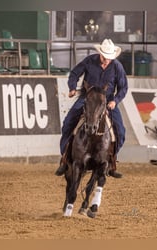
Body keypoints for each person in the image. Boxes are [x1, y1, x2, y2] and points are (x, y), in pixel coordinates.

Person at [55, 38, 128, 178]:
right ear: (100, 54)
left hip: (107, 101)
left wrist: (115, 101)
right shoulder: (89, 61)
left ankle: (111, 161)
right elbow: (75, 73)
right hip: (86, 98)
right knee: (68, 123)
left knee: (121, 131)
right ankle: (64, 159)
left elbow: (123, 87)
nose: (107, 60)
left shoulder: (117, 66)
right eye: (105, 57)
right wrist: (72, 88)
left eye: (109, 58)